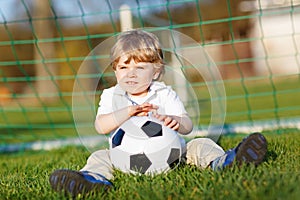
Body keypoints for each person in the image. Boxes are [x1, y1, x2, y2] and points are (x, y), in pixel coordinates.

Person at [49, 29, 267, 196]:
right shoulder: (110, 95)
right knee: (98, 156)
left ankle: (225, 162)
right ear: (115, 70)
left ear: (156, 71)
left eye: (139, 68)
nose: (130, 75)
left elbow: (187, 125)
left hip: (174, 156)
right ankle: (93, 181)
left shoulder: (163, 93)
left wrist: (175, 121)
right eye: (124, 68)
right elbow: (101, 127)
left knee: (200, 144)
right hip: (121, 158)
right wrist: (125, 113)